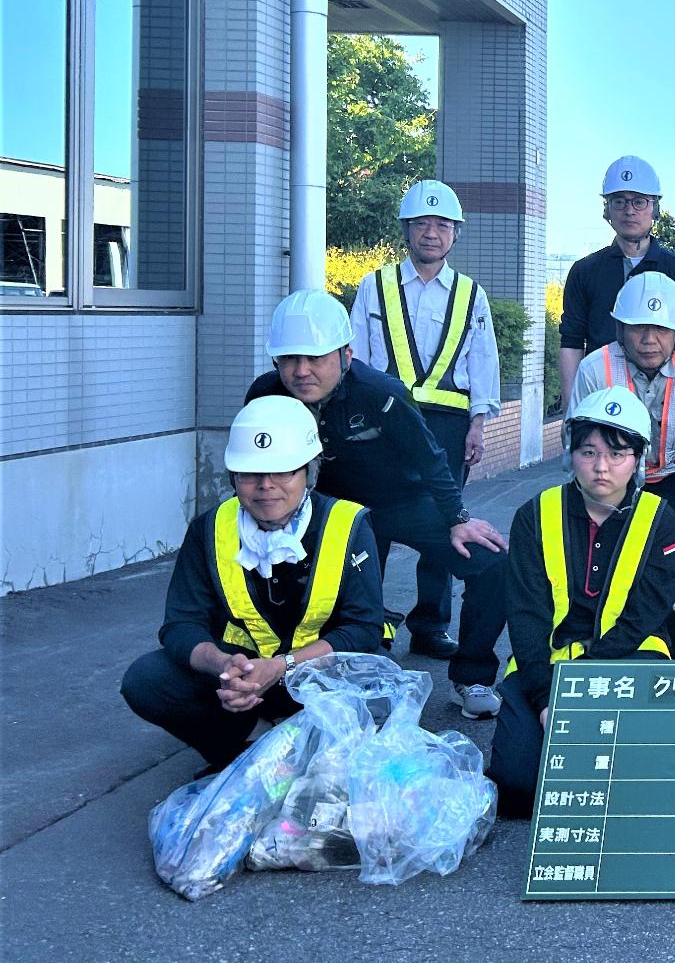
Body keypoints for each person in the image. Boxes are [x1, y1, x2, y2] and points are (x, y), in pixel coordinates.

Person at [246, 290, 511, 719]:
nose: (302, 370)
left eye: (316, 357)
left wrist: (458, 518)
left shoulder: (380, 393)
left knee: (492, 561)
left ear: (347, 354)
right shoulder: (266, 397)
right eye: (290, 358)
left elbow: (431, 459)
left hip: (403, 501)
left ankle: (473, 678)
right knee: (305, 582)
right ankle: (295, 678)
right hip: (328, 514)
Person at [121, 397, 384, 770]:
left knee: (383, 694)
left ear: (308, 472)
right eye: (250, 474)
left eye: (282, 472)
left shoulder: (348, 524)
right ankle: (245, 747)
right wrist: (225, 666)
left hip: (316, 680)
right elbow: (181, 624)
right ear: (233, 477)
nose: (266, 486)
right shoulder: (209, 529)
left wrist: (283, 667)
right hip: (238, 684)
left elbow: (362, 629)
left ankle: (308, 753)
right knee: (147, 680)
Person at [484, 387, 675, 817]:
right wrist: (544, 698)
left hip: (631, 658)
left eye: (618, 454)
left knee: (634, 782)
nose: (602, 467)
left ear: (639, 459)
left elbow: (645, 617)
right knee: (517, 788)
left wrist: (580, 690)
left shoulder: (661, 520)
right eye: (588, 452)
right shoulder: (534, 515)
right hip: (544, 666)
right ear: (570, 452)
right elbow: (525, 615)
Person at [347, 179, 500, 656]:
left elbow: (483, 362)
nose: (430, 233)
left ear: (455, 233)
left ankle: (431, 627)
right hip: (383, 425)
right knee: (372, 523)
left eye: (441, 224)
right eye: (421, 223)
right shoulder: (376, 285)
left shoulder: (471, 294)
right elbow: (355, 358)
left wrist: (478, 424)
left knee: (442, 526)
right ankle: (366, 623)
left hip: (448, 428)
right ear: (406, 230)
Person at [569, 271, 675, 659]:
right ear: (620, 329)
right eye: (638, 328)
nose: (649, 339)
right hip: (610, 481)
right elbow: (578, 448)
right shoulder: (595, 369)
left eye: (661, 329)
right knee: (606, 563)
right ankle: (602, 651)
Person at [557, 155, 675, 405]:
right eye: (619, 202)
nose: (629, 211)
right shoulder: (585, 271)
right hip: (600, 396)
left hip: (664, 399)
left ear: (654, 208)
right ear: (607, 209)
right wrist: (572, 408)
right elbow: (572, 341)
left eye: (639, 202)